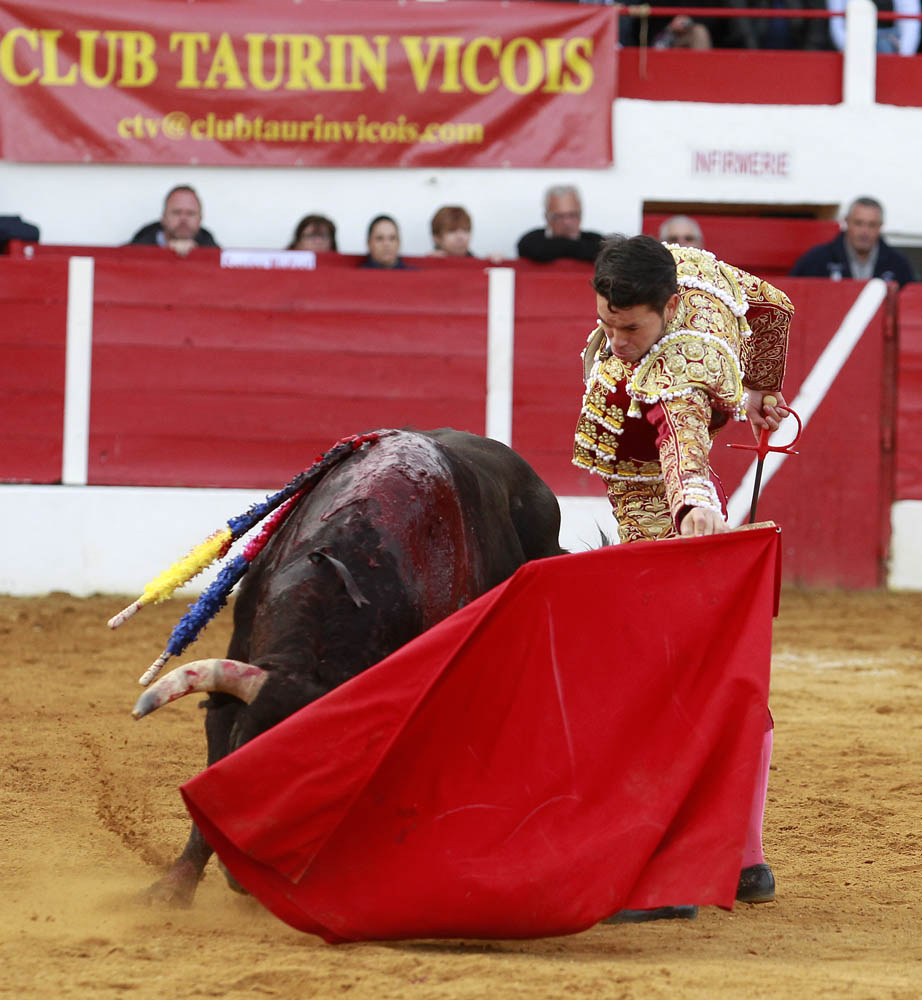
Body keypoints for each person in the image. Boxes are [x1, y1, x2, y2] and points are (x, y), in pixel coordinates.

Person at [573, 234, 795, 915]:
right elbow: (774, 305)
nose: (618, 343)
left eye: (632, 330)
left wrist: (694, 505)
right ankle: (745, 861)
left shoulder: (679, 371)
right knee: (717, 671)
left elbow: (683, 443)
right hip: (665, 508)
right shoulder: (689, 267)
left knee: (657, 681)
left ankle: (670, 870)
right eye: (607, 324)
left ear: (670, 308)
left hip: (660, 514)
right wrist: (762, 386)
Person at [790, 196, 916, 287]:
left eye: (872, 225)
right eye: (858, 223)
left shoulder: (898, 265)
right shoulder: (816, 260)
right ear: (846, 222)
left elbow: (912, 305)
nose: (864, 231)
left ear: (880, 227)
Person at [516, 185, 604, 263]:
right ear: (547, 218)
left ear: (580, 216)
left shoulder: (596, 241)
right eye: (559, 216)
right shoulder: (532, 241)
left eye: (572, 215)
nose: (566, 222)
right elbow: (536, 250)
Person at [129, 185, 219, 256]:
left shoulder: (218, 257)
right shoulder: (132, 254)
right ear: (163, 217)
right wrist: (163, 253)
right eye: (177, 212)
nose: (183, 219)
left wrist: (199, 254)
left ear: (200, 218)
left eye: (190, 213)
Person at [827, 0, 921, 56]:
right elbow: (836, 25)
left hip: (890, 44)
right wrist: (852, 53)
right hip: (856, 44)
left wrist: (903, 56)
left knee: (884, 44)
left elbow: (911, 26)